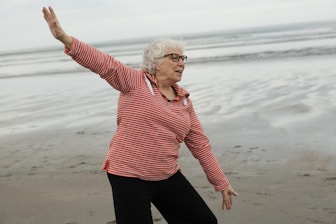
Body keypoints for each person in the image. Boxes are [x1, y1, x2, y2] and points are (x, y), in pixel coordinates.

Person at [42, 6, 238, 224]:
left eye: (183, 58)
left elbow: (200, 144)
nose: (181, 63)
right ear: (155, 61)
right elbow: (104, 64)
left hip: (167, 175)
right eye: (174, 57)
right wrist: (65, 39)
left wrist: (221, 183)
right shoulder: (135, 82)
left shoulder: (184, 100)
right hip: (128, 175)